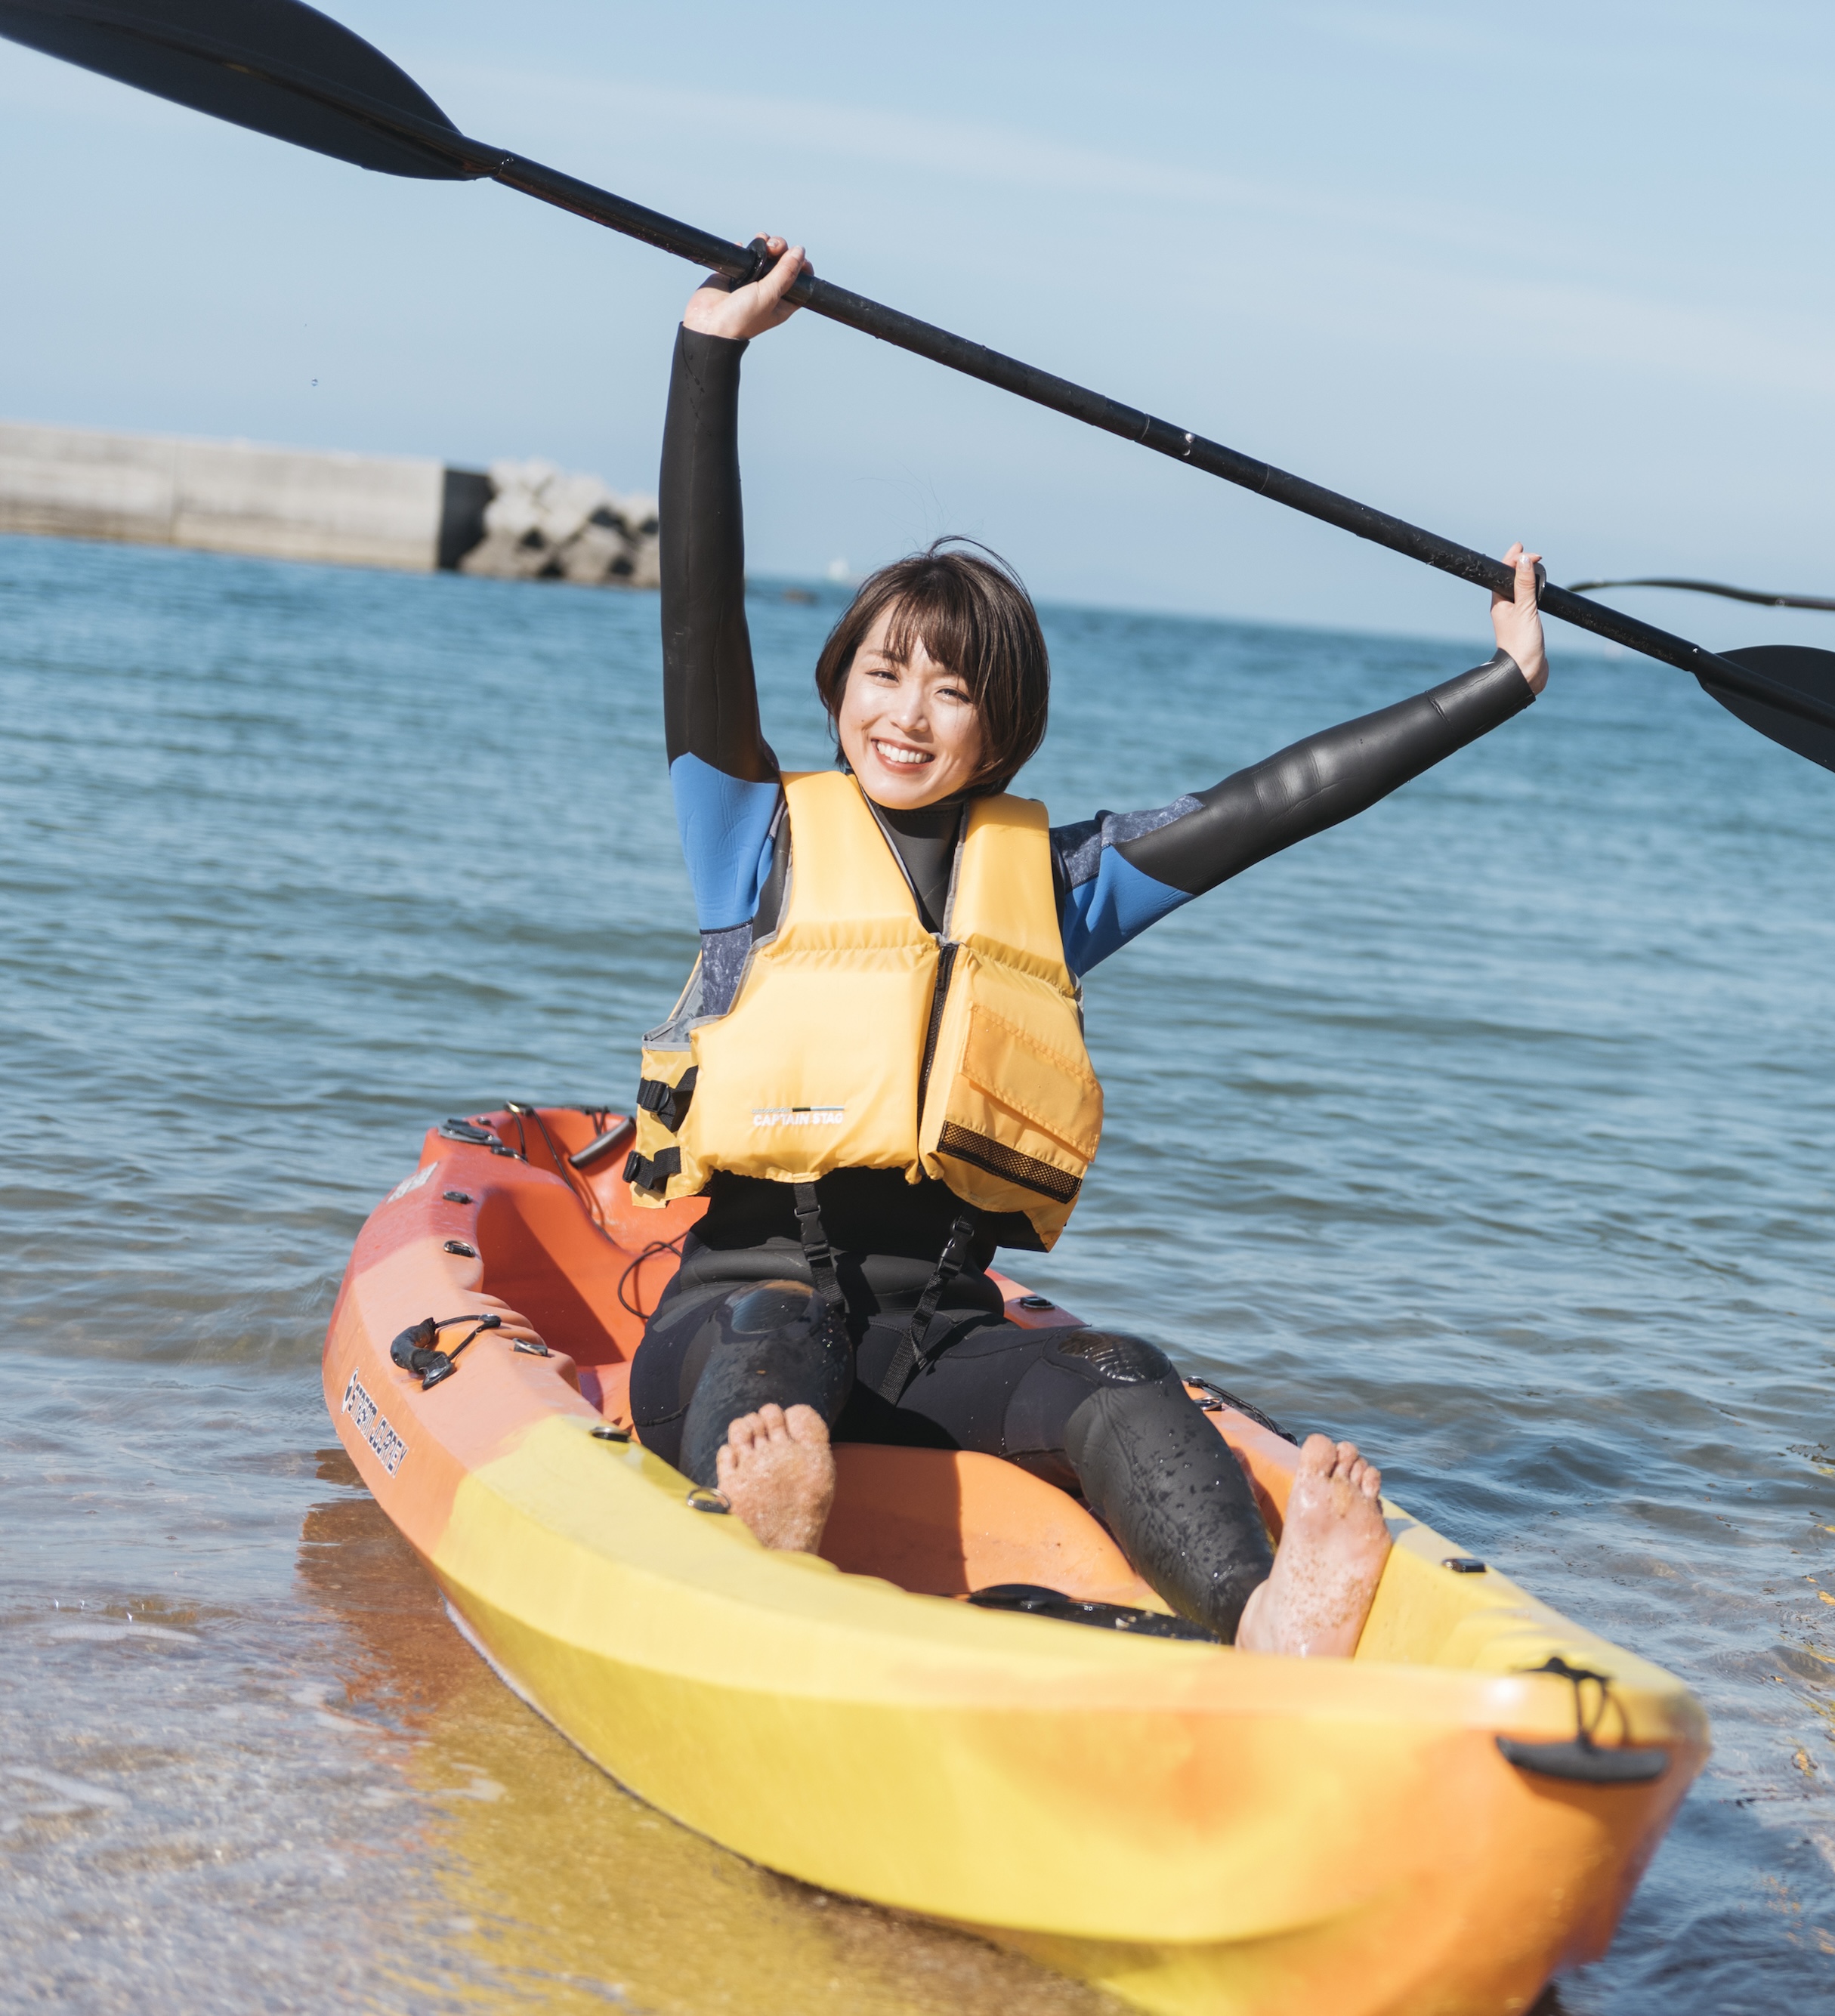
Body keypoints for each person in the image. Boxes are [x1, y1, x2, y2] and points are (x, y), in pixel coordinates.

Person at [620, 238, 1551, 1659]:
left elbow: (1270, 802)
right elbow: (698, 613)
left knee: (1122, 1371)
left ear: (1002, 726)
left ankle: (1268, 1619)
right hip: (744, 1306)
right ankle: (774, 1554)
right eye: (883, 673)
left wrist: (1497, 682)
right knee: (774, 1373)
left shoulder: (1055, 886)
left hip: (938, 1334)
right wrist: (712, 349)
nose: (909, 714)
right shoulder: (752, 833)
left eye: (951, 689)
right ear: (836, 686)